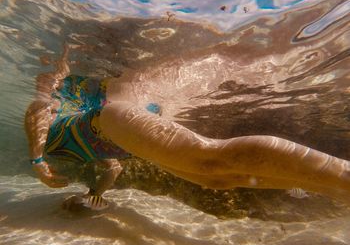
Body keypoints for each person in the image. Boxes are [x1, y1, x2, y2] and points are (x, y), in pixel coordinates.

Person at [25, 45, 350, 210]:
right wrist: (93, 194)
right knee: (214, 178)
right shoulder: (84, 155)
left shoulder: (53, 129)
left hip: (110, 116)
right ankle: (336, 188)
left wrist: (38, 160)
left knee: (207, 159)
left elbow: (40, 108)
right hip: (120, 128)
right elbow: (112, 166)